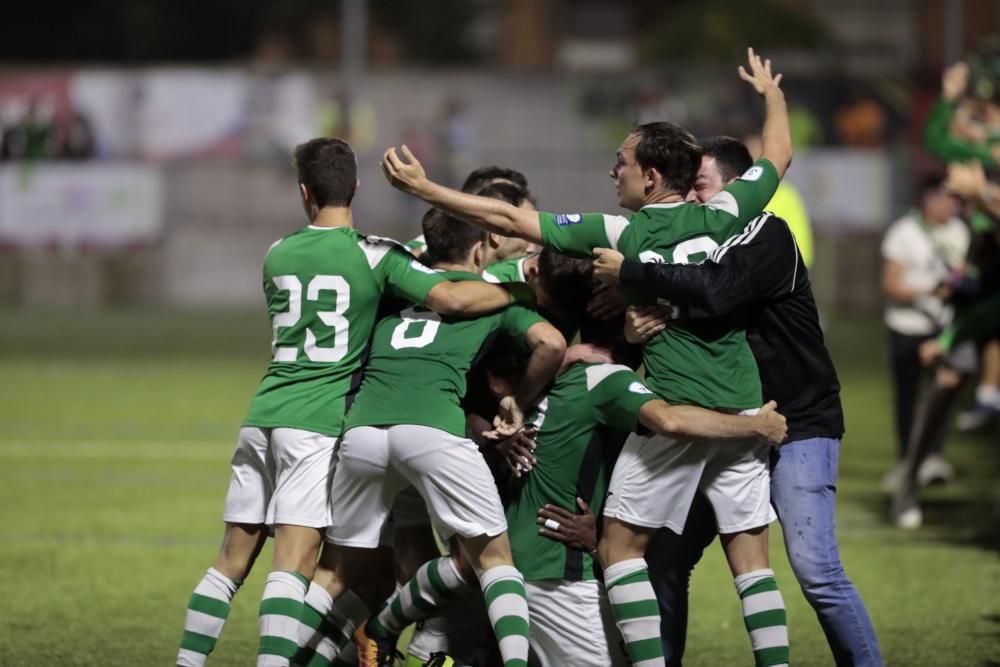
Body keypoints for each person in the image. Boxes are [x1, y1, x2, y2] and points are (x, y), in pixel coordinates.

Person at [379, 47, 794, 667]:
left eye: (621, 163)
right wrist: (772, 94)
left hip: (680, 405)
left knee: (620, 548)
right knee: (753, 563)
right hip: (742, 399)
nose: (612, 173)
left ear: (651, 178)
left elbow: (504, 215)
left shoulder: (626, 234)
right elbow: (778, 155)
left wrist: (425, 187)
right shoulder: (727, 210)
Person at [174, 138, 530, 667]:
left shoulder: (277, 253)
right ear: (357, 186)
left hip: (263, 413)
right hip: (318, 422)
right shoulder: (375, 254)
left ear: (303, 192)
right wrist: (521, 282)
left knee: (230, 561)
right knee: (297, 566)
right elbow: (450, 297)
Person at [590, 135, 883, 666]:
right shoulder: (695, 246)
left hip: (796, 425)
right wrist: (638, 324)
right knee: (666, 563)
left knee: (816, 573)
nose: (693, 202)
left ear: (735, 189)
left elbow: (714, 289)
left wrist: (634, 275)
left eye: (701, 188)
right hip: (732, 428)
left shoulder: (765, 236)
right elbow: (688, 308)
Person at [325, 208, 568, 667]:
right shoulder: (497, 298)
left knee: (335, 572)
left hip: (362, 431)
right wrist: (517, 399)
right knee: (496, 562)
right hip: (433, 430)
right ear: (480, 249)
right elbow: (552, 344)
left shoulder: (394, 293)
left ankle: (293, 656)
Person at [501, 314, 788, 667]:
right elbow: (670, 421)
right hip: (559, 575)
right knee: (744, 564)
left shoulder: (542, 384)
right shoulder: (607, 380)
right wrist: (757, 426)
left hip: (504, 564)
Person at [880, 175, 970, 490]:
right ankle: (908, 460)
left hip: (943, 328)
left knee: (943, 390)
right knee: (909, 396)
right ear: (928, 199)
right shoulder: (904, 232)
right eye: (946, 198)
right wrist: (930, 292)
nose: (952, 206)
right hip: (907, 327)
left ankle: (933, 456)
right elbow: (890, 284)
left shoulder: (960, 232)